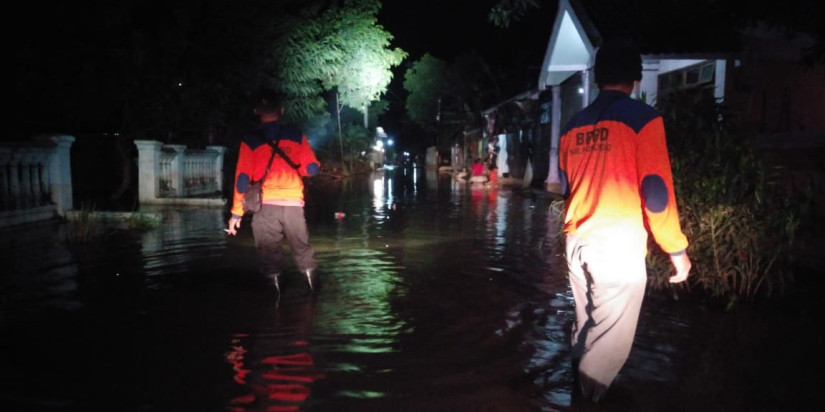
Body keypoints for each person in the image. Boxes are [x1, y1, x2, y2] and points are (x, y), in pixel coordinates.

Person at [557, 37, 692, 402]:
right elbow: (656, 192)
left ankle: (576, 391)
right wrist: (676, 249)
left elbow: (566, 184)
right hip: (615, 245)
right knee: (609, 344)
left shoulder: (572, 126)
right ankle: (587, 401)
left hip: (577, 240)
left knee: (586, 325)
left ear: (597, 78)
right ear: (635, 79)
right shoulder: (644, 120)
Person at [226, 90, 321, 294]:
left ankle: (275, 306)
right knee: (303, 250)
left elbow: (242, 181)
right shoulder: (296, 136)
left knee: (269, 254)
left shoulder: (250, 139)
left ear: (256, 111)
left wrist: (236, 214)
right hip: (294, 204)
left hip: (266, 205)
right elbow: (312, 168)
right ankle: (314, 298)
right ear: (282, 111)